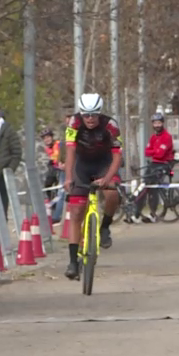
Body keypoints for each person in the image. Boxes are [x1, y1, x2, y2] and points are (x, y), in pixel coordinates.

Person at [62, 93, 123, 280]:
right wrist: (69, 177)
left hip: (104, 163)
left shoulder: (110, 126)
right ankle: (73, 261)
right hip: (82, 165)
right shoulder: (74, 123)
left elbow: (117, 156)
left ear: (99, 114)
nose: (90, 119)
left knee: (112, 195)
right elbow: (70, 151)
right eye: (86, 115)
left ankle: (104, 227)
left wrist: (108, 178)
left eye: (94, 115)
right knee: (77, 211)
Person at [142, 112, 176, 222]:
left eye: (159, 123)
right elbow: (146, 152)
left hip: (164, 164)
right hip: (153, 164)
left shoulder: (167, 137)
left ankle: (153, 213)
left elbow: (161, 154)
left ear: (162, 123)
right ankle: (137, 212)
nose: (157, 125)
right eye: (155, 123)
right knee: (144, 185)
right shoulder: (152, 137)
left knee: (154, 188)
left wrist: (154, 152)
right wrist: (155, 151)